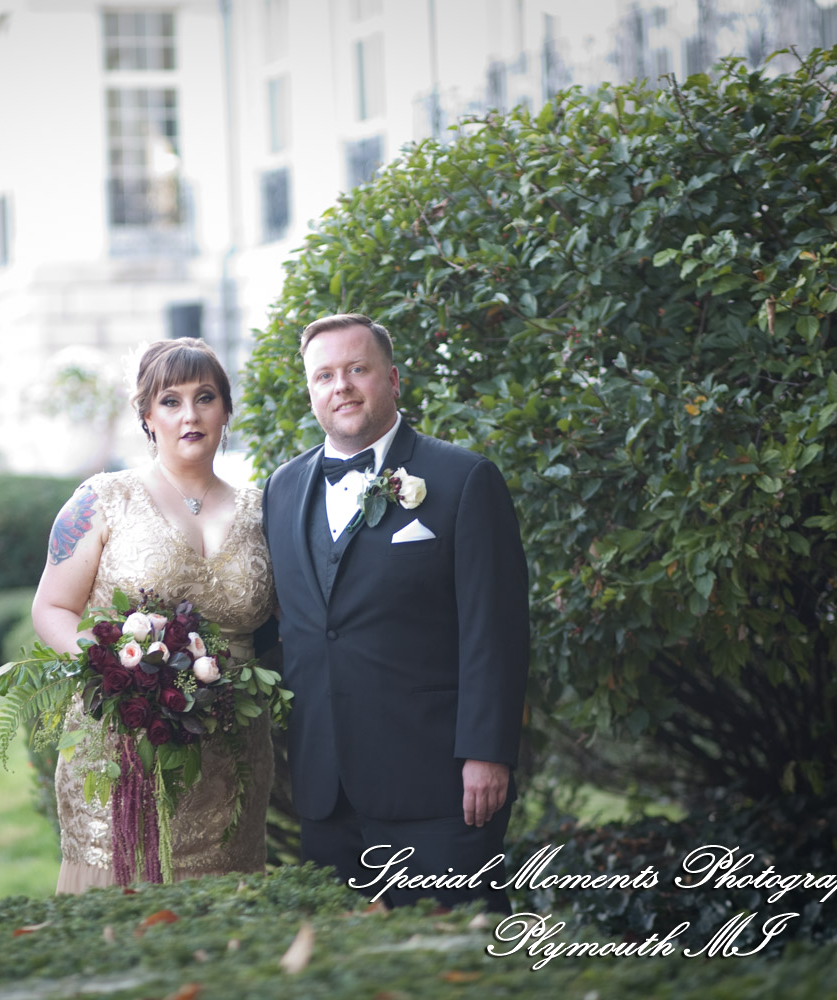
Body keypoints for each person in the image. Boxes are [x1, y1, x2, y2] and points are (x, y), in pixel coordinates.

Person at [261, 313, 529, 912]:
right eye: (325, 375)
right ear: (310, 390)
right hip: (326, 792)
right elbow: (287, 624)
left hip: (439, 785)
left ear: (394, 379)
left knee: (459, 960)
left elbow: (496, 632)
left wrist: (487, 753)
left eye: (358, 369)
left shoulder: (464, 480)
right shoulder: (281, 489)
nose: (342, 387)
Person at [32, 338, 275, 893]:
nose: (189, 414)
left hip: (233, 758)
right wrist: (118, 672)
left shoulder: (264, 510)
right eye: (170, 400)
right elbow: (51, 607)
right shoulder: (102, 499)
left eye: (205, 397)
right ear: (146, 415)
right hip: (126, 748)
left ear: (226, 410)